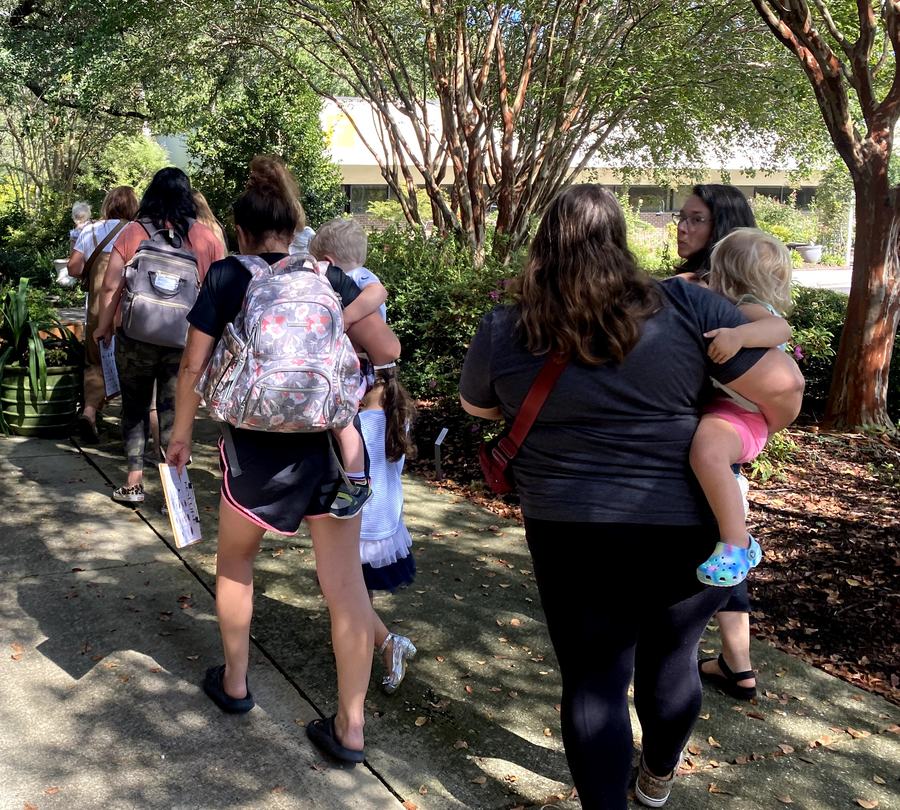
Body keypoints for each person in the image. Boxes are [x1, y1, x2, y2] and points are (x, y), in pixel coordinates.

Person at [459, 185, 804, 809]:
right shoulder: (684, 304)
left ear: (545, 244)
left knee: (594, 681)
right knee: (672, 661)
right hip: (682, 518)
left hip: (568, 525)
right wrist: (743, 437)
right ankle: (658, 776)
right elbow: (785, 386)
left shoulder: (506, 323)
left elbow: (478, 405)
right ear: (618, 238)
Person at [164, 155, 401, 765]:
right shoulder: (325, 274)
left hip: (255, 447)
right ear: (293, 226)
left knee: (236, 563)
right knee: (345, 590)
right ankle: (350, 730)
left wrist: (182, 434)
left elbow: (193, 365)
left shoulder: (227, 277)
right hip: (326, 446)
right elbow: (385, 347)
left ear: (241, 231)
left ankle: (237, 684)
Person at [311, 217, 417, 691]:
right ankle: (379, 639)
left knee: (345, 567)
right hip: (371, 415)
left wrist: (343, 315)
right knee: (344, 570)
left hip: (364, 420)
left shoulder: (354, 288)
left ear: (329, 261)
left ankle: (384, 642)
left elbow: (375, 307)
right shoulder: (362, 282)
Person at [673, 184, 761, 700]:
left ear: (721, 227)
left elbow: (777, 332)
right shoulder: (705, 285)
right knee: (722, 536)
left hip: (717, 429)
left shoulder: (714, 294)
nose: (683, 227)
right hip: (721, 428)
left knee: (724, 539)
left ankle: (732, 661)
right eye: (682, 217)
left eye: (696, 219)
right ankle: (738, 663)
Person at [93, 168, 224, 504]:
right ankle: (175, 491)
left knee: (135, 408)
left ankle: (134, 481)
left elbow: (110, 286)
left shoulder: (134, 231)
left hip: (135, 336)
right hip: (184, 342)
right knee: (174, 410)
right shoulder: (206, 238)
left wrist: (104, 325)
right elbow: (215, 297)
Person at [692, 228, 793, 586]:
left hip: (741, 415)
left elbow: (780, 329)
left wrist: (738, 336)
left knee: (708, 452)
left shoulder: (747, 308)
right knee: (709, 456)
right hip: (732, 410)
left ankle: (738, 544)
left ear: (727, 274)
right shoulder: (728, 307)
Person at [309, 218, 388, 518]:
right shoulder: (359, 275)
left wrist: (342, 319)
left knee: (343, 421)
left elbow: (377, 293)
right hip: (356, 366)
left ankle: (356, 482)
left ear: (328, 262)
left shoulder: (358, 278)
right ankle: (347, 475)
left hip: (358, 368)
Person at [67, 186, 139, 442]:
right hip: (131, 308)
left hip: (99, 305)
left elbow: (74, 268)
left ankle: (89, 412)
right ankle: (132, 429)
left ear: (108, 204)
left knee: (95, 360)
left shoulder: (91, 230)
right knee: (134, 365)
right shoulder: (138, 231)